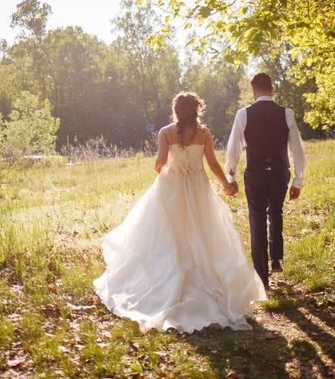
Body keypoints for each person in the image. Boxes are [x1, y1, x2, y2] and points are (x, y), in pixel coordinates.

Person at [94, 92, 266, 333]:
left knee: (169, 232)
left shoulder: (165, 132)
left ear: (175, 110)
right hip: (198, 188)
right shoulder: (204, 134)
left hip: (172, 187)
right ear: (197, 110)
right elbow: (213, 164)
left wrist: (170, 169)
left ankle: (171, 273)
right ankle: (203, 274)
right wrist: (226, 184)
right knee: (202, 230)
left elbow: (159, 163)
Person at [225, 73, 306, 288]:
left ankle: (262, 277)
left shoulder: (244, 114)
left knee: (257, 219)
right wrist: (297, 181)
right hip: (280, 173)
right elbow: (298, 150)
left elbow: (233, 147)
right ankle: (276, 256)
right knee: (276, 211)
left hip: (256, 174)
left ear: (253, 90)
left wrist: (230, 175)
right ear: (273, 88)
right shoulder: (286, 114)